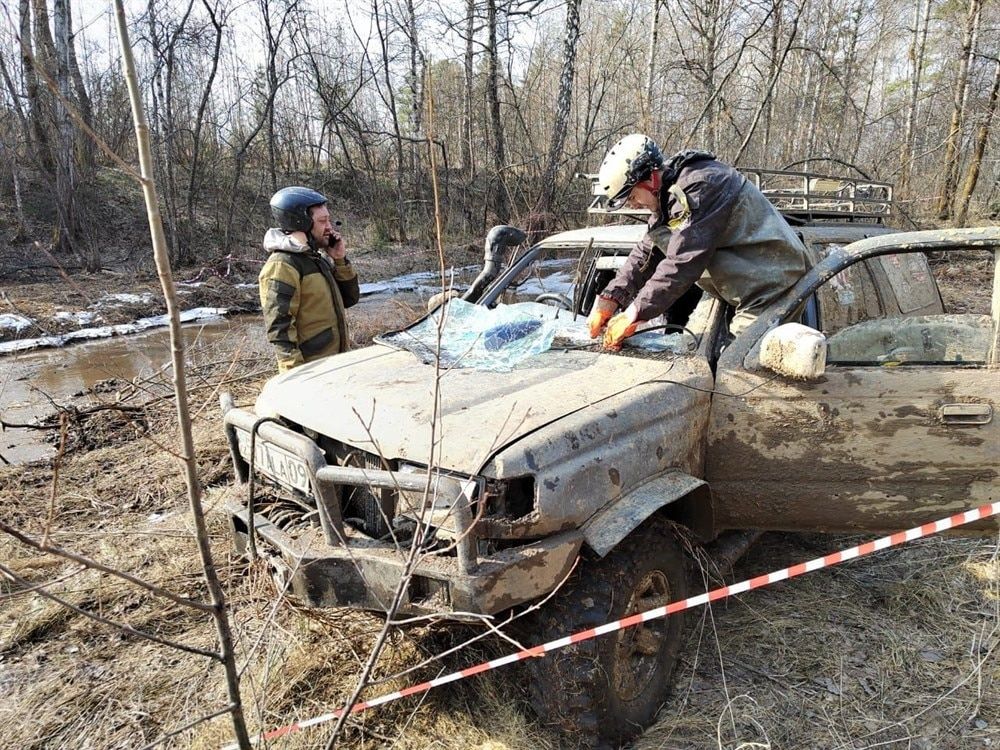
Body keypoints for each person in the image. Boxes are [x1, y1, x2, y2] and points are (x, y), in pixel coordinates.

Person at [587, 134, 811, 349]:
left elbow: (682, 261)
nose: (633, 205)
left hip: (773, 283)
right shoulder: (668, 198)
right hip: (743, 286)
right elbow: (647, 251)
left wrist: (634, 312)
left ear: (651, 179)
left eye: (633, 197)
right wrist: (611, 298)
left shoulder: (700, 187)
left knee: (737, 368)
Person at [259, 186, 360, 372]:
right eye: (322, 221)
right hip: (312, 370)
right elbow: (280, 331)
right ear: (302, 223)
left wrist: (339, 260)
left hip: (335, 364)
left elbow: (350, 299)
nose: (329, 227)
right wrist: (296, 378)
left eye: (329, 220)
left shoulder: (316, 259)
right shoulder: (282, 266)